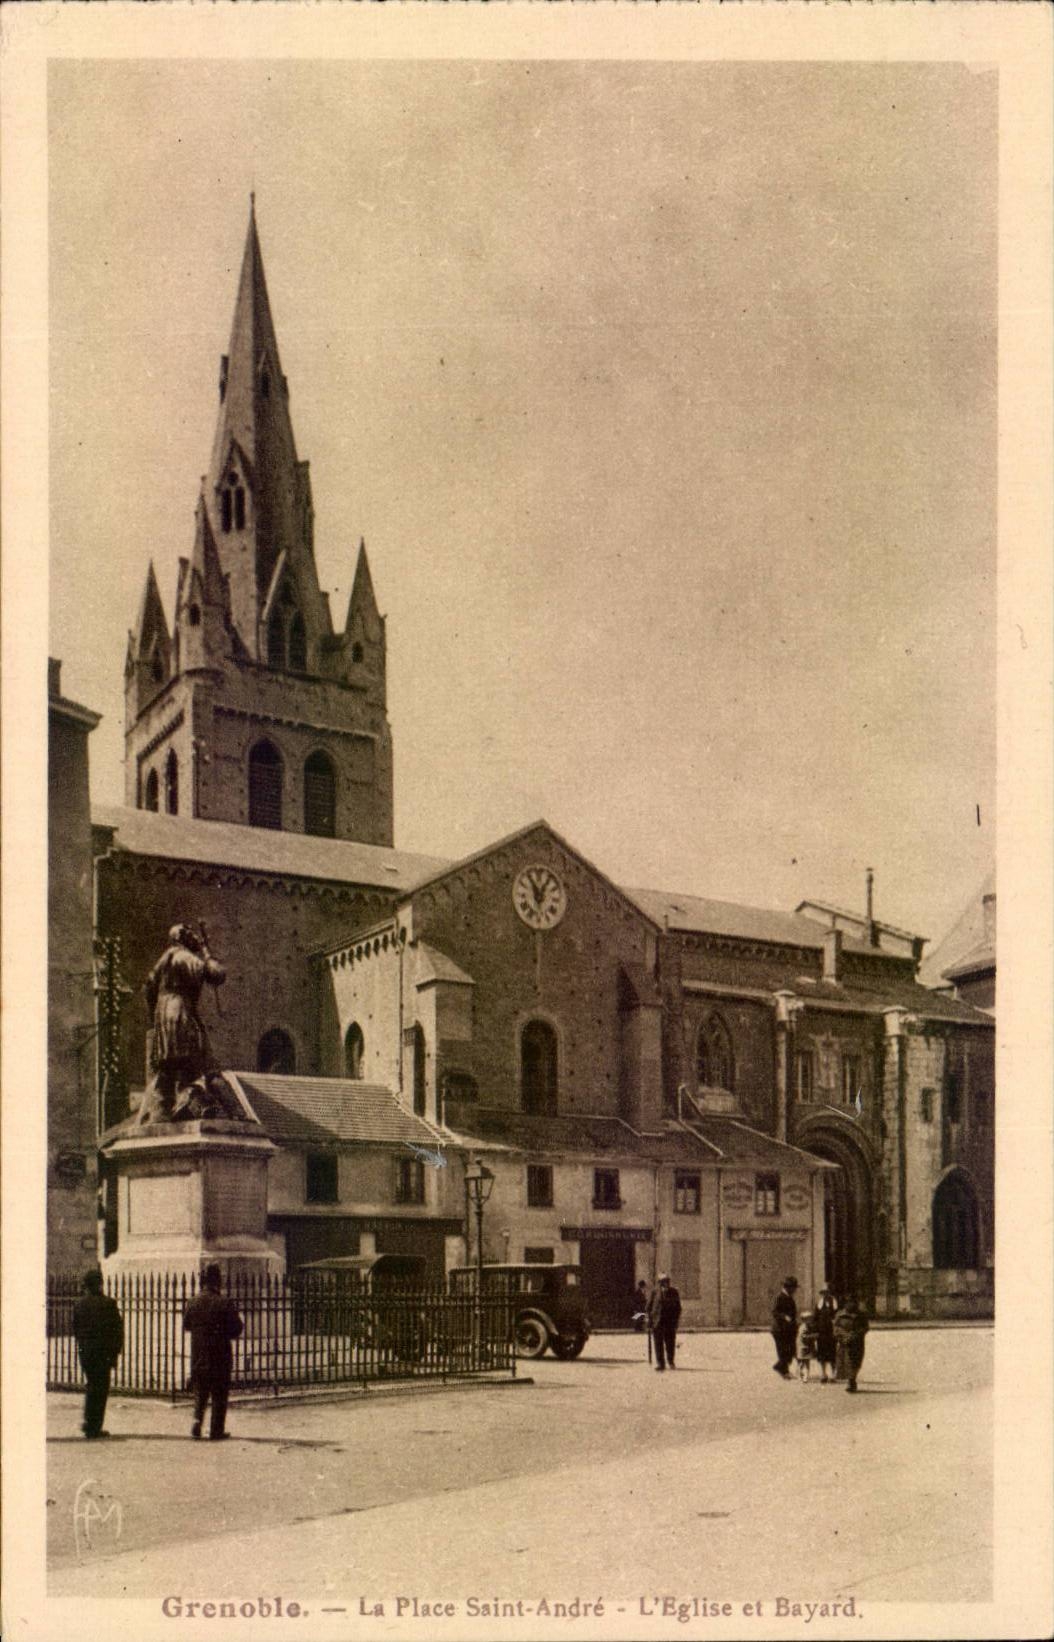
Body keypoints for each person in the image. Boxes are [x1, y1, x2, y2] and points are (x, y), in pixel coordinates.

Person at [141, 923, 226, 1121]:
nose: (194, 936)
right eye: (189, 933)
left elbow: (147, 989)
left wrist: (155, 1019)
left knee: (168, 1070)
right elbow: (216, 974)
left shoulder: (163, 960)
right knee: (200, 1063)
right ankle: (193, 1103)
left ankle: (164, 1113)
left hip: (163, 1018)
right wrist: (205, 950)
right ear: (181, 937)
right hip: (181, 1014)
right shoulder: (181, 955)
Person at [182, 1263, 243, 1440]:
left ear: (203, 1281)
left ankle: (196, 1420)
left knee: (200, 1391)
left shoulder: (193, 1302)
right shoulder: (224, 1302)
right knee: (219, 1394)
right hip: (220, 1355)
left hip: (199, 1354)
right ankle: (216, 1430)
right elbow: (236, 1329)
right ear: (218, 1281)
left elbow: (186, 1325)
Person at [72, 1270, 123, 1439]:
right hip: (103, 1352)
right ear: (99, 1284)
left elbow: (76, 1329)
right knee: (101, 1389)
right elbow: (117, 1331)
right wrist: (115, 1353)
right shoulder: (108, 1303)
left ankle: (89, 1422)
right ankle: (94, 1426)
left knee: (92, 1385)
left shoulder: (79, 1305)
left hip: (85, 1351)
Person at [834, 1295, 870, 1392]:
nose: (851, 1304)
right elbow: (836, 1328)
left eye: (853, 1302)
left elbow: (865, 1328)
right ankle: (850, 1382)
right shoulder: (840, 1314)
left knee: (856, 1362)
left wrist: (854, 1336)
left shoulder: (861, 1314)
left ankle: (852, 1379)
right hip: (844, 1343)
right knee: (847, 1362)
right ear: (845, 1303)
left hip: (857, 1343)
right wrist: (844, 1335)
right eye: (849, 1302)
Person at [647, 1273, 682, 1372]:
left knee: (670, 1343)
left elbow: (678, 1308)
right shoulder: (655, 1292)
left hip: (669, 1323)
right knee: (658, 1344)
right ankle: (660, 1364)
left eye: (667, 1281)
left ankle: (670, 1362)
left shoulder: (674, 1292)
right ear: (660, 1283)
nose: (666, 1284)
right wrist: (649, 1320)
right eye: (663, 1282)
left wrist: (675, 1321)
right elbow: (648, 1307)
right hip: (657, 1322)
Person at [771, 1275, 799, 1378]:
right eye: (793, 1287)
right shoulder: (780, 1297)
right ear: (788, 1287)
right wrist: (785, 1317)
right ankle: (784, 1371)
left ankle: (780, 1367)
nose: (795, 1290)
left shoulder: (789, 1297)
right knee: (783, 1351)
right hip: (780, 1329)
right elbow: (775, 1312)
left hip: (789, 1329)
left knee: (790, 1350)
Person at [814, 1285, 838, 1384]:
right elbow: (815, 1318)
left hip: (831, 1331)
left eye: (826, 1292)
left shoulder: (834, 1302)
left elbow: (837, 1315)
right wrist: (815, 1330)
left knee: (832, 1352)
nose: (825, 1294)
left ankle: (833, 1375)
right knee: (822, 1353)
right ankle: (823, 1374)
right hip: (821, 1331)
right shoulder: (819, 1303)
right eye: (823, 1292)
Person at [796, 1310, 819, 1382]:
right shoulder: (803, 1327)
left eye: (811, 1318)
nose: (810, 1320)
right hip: (803, 1347)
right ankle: (800, 1374)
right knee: (801, 1362)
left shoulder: (809, 1326)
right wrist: (814, 1336)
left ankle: (806, 1376)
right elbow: (804, 1337)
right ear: (804, 1320)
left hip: (807, 1347)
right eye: (808, 1319)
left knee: (807, 1362)